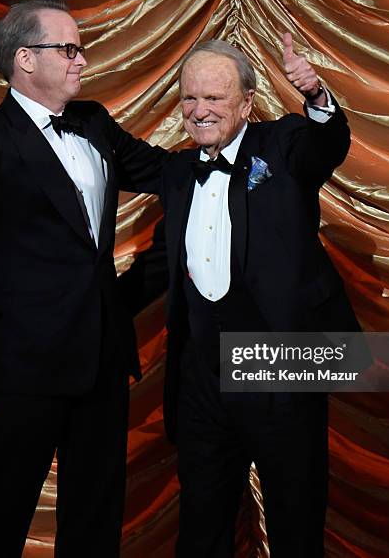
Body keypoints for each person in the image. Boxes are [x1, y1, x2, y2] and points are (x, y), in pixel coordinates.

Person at [0, 0, 166, 558]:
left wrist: (240, 154)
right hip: (29, 355)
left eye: (80, 48)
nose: (81, 60)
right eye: (68, 49)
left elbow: (160, 170)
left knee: (96, 512)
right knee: (5, 505)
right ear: (25, 59)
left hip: (101, 351)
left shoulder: (94, 120)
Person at [158, 36, 362, 557]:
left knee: (296, 528)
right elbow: (164, 267)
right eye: (189, 99)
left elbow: (327, 146)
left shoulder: (284, 144)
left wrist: (315, 95)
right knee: (201, 532)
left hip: (281, 368)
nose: (200, 111)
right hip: (203, 380)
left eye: (215, 99)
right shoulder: (180, 174)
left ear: (247, 103)